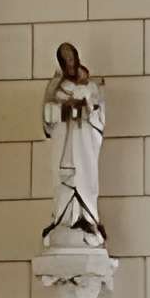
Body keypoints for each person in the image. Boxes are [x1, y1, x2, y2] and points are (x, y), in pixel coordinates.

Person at [43, 41, 104, 240]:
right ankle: (64, 219)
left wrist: (86, 106)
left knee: (85, 178)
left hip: (84, 143)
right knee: (64, 178)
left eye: (71, 58)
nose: (69, 63)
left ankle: (88, 218)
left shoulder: (91, 86)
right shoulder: (57, 88)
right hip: (65, 143)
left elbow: (98, 115)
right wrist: (64, 107)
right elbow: (48, 117)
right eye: (65, 60)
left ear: (76, 58)